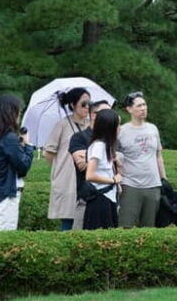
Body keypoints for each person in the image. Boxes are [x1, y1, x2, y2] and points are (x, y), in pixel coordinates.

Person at [0, 95, 34, 231]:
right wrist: (28, 146)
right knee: (5, 235)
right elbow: (23, 166)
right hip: (6, 194)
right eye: (18, 111)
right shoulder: (9, 138)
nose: (19, 115)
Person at [118, 91, 167, 228]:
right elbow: (116, 158)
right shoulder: (122, 131)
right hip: (130, 184)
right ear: (129, 109)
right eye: (139, 106)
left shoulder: (153, 129)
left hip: (152, 184)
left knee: (149, 226)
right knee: (125, 225)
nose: (143, 109)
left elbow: (158, 155)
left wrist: (164, 179)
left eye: (144, 105)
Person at [44, 87, 90, 231]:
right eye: (83, 104)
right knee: (68, 221)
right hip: (68, 179)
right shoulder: (62, 125)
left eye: (89, 103)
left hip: (87, 176)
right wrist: (60, 169)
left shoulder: (91, 125)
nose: (87, 107)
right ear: (72, 105)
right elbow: (48, 152)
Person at [68, 99, 110, 229]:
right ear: (93, 115)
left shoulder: (112, 139)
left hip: (110, 196)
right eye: (105, 113)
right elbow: (81, 164)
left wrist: (90, 157)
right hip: (88, 197)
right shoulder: (79, 137)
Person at [83, 108, 122, 230]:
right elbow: (90, 175)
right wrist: (113, 180)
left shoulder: (106, 146)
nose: (119, 128)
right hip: (100, 199)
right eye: (117, 125)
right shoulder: (99, 146)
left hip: (108, 197)